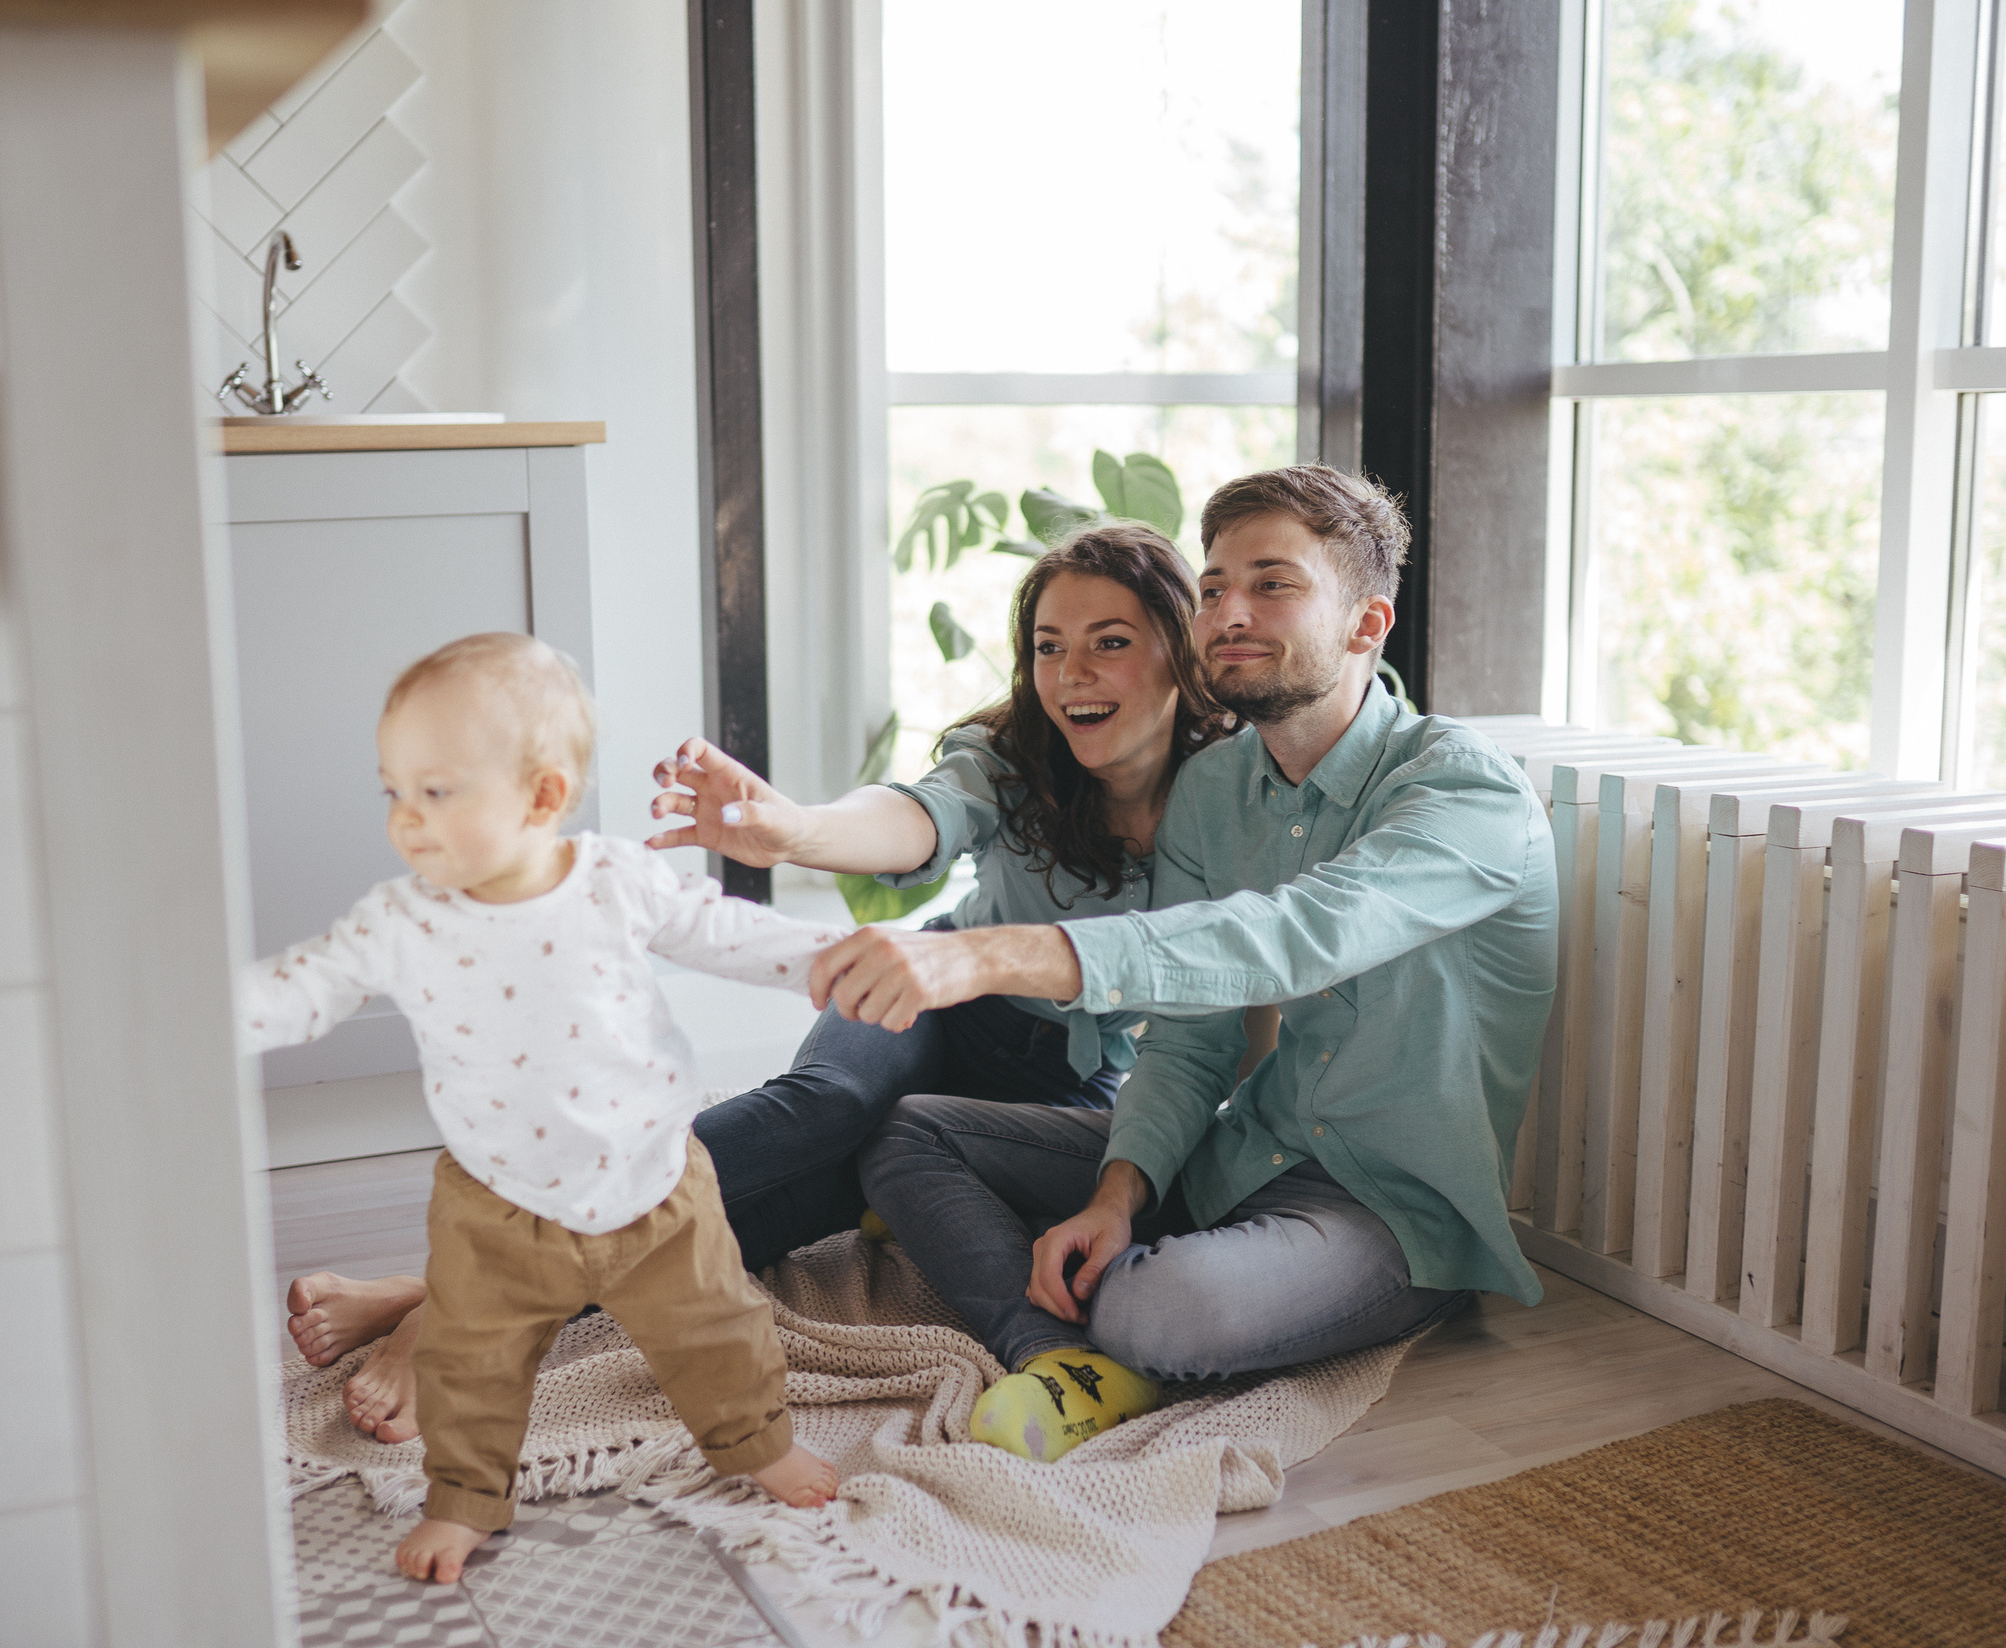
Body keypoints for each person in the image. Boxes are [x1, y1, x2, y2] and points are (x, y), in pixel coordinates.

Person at [284, 522, 1269, 1443]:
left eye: (1107, 642)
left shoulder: (1231, 797)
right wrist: (792, 828)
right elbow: (913, 820)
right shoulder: (1013, 757)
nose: (1071, 675)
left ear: (1178, 651)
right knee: (825, 1106)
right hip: (929, 991)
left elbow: (1231, 991)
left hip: (1069, 1073)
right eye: (1049, 647)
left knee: (800, 1199)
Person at [814, 465, 1559, 1462]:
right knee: (909, 1131)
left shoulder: (1463, 791)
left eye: (1272, 583)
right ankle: (1051, 1354)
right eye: (1212, 588)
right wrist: (1117, 1193)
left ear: (1365, 623)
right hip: (1240, 1151)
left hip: (1388, 1209)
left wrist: (1002, 954)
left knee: (1155, 1308)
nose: (1228, 613)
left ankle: (1127, 1330)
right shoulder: (1215, 790)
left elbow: (1299, 933)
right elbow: (1193, 1033)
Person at [240, 633, 847, 1584]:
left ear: (543, 797)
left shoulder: (615, 880)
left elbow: (725, 931)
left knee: (719, 1331)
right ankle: (465, 1500)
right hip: (496, 1209)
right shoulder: (403, 920)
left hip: (654, 1190)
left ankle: (758, 1445)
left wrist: (830, 960)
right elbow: (306, 983)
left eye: (435, 793)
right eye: (393, 792)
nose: (406, 820)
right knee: (472, 1365)